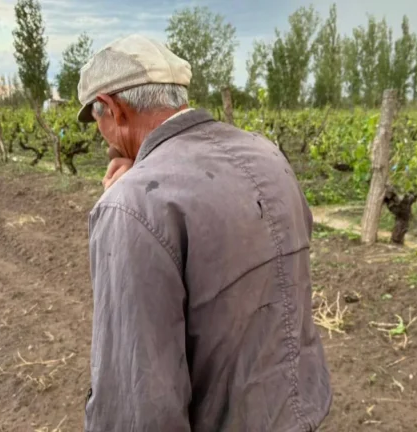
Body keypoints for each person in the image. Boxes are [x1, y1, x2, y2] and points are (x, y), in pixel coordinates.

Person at [78, 34, 332, 431]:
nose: (102, 135)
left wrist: (125, 200)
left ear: (113, 108)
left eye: (98, 121)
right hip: (300, 412)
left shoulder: (131, 205)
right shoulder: (267, 154)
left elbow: (137, 402)